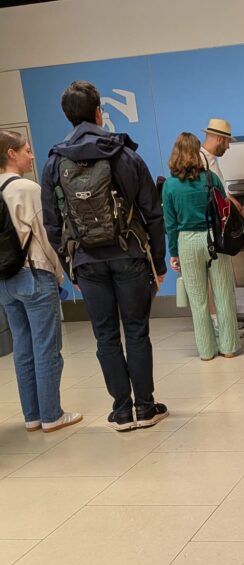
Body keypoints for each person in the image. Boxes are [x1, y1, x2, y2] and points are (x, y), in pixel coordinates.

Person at [41, 80, 168, 432]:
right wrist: (158, 263)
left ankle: (122, 411)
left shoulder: (54, 162)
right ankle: (146, 407)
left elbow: (52, 224)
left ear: (67, 116)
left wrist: (70, 267)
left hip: (86, 262)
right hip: (130, 255)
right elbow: (152, 213)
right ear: (99, 112)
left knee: (106, 336)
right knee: (136, 330)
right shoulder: (124, 154)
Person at [0, 131, 82, 434]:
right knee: (46, 347)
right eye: (26, 150)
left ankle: (32, 416)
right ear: (11, 153)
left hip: (5, 281)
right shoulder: (27, 188)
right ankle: (52, 415)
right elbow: (47, 237)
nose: (31, 156)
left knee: (22, 348)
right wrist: (61, 274)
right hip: (34, 274)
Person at [164, 132, 241, 360]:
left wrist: (174, 253)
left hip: (187, 242)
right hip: (214, 240)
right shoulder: (211, 178)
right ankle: (228, 347)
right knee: (223, 295)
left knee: (198, 302)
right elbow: (224, 210)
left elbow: (170, 224)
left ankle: (206, 352)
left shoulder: (169, 185)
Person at [200, 118, 244, 337]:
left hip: (216, 227)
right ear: (219, 139)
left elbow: (221, 193)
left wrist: (238, 207)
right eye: (227, 142)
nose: (228, 147)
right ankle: (218, 324)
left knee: (219, 278)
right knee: (213, 279)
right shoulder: (200, 161)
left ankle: (225, 322)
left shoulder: (210, 160)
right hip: (209, 229)